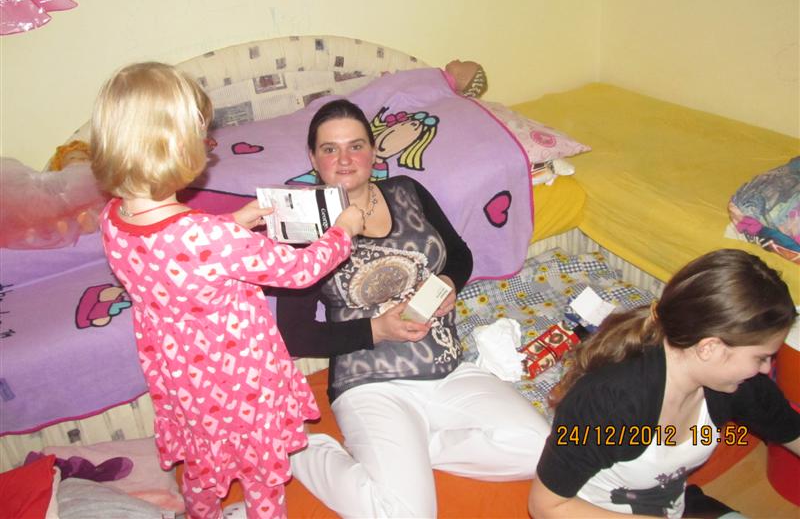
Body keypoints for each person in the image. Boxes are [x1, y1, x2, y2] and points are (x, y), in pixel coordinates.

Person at [89, 62, 365, 519]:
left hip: (183, 377)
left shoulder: (114, 217)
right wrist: (343, 230)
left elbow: (177, 256)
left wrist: (234, 222)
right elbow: (299, 270)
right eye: (203, 136)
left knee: (202, 464)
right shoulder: (209, 238)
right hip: (238, 379)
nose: (208, 145)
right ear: (177, 145)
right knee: (262, 473)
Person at [275, 98, 550, 518]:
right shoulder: (302, 225)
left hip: (448, 369)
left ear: (373, 151)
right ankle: (301, 450)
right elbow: (294, 335)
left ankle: (420, 449)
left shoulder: (406, 191)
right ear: (313, 159)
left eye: (356, 146)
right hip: (372, 384)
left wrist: (447, 282)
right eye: (330, 149)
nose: (345, 159)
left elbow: (459, 254)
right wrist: (377, 329)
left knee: (542, 449)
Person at [528, 248, 800, 519]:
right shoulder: (609, 403)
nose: (766, 369)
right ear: (710, 348)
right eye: (761, 357)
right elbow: (545, 507)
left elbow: (789, 427)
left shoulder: (737, 383)